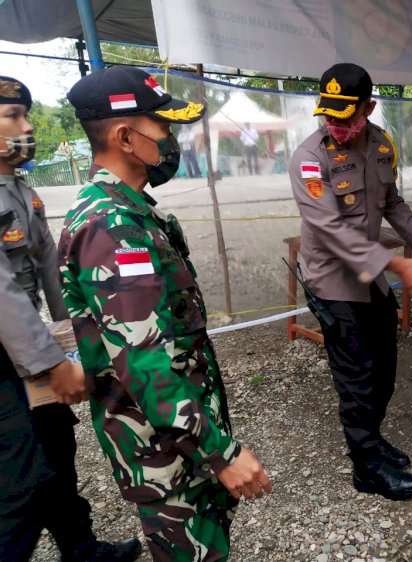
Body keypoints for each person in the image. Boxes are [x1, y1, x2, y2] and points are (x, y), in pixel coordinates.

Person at [59, 67, 272, 561]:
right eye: (162, 127)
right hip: (165, 452)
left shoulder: (130, 210)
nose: (171, 140)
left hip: (179, 440)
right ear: (125, 137)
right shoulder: (112, 227)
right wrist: (220, 452)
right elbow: (145, 363)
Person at [0, 75, 141, 562]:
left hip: (29, 349)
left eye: (25, 114)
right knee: (18, 482)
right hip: (8, 361)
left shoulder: (19, 190)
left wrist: (80, 337)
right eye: (12, 117)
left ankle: (80, 549)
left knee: (57, 454)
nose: (27, 126)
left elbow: (48, 272)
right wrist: (51, 364)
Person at [289, 63, 412, 500]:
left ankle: (371, 439)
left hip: (370, 279)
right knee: (357, 378)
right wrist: (397, 265)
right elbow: (331, 230)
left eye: (346, 115)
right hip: (334, 286)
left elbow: (392, 201)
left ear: (369, 107)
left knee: (384, 370)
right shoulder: (309, 158)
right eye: (328, 115)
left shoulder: (380, 145)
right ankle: (366, 467)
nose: (335, 125)